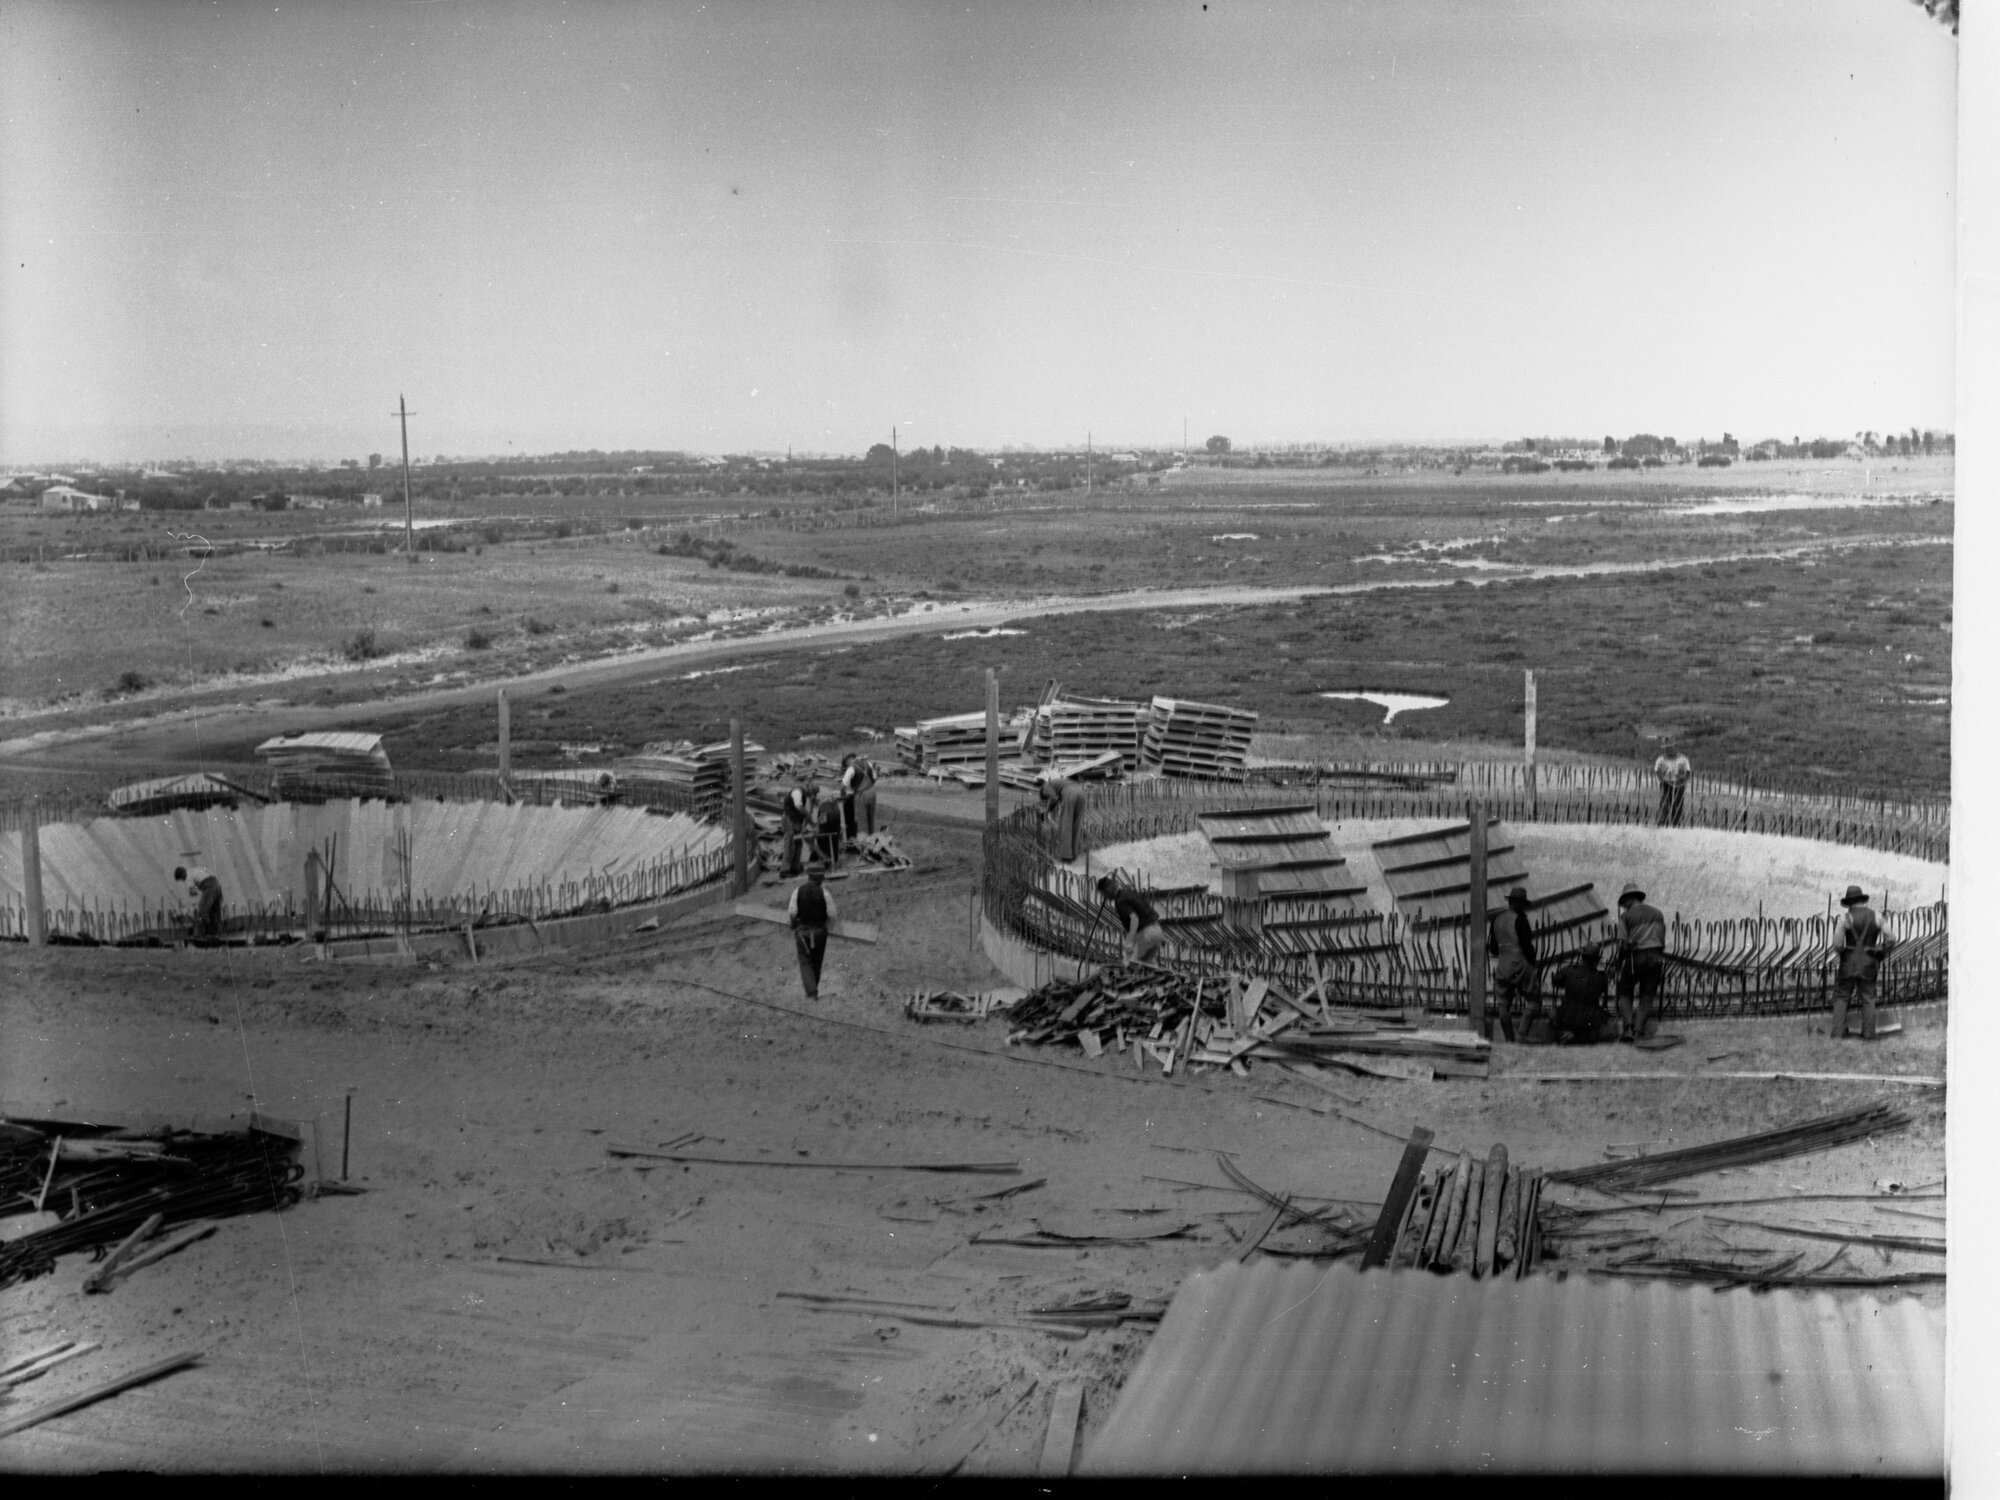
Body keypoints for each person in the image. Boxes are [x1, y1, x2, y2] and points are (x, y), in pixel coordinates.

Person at [1830, 884, 1891, 1040]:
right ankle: (1869, 1034)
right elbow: (1891, 938)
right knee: (1868, 998)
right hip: (1869, 962)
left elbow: (1837, 944)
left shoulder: (1845, 918)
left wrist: (1844, 953)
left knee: (1842, 996)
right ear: (1862, 900)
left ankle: (1838, 1032)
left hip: (1848, 963)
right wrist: (1881, 952)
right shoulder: (1876, 916)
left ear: (1849, 903)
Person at [1614, 882, 1668, 1041]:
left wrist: (1619, 961)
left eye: (1624, 902)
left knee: (1624, 990)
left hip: (1636, 956)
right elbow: (1661, 939)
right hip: (1656, 956)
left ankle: (1628, 1028)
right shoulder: (1658, 913)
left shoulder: (1626, 917)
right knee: (1647, 994)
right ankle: (1639, 1030)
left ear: (1630, 898)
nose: (1624, 906)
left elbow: (1623, 944)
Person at [1485, 887, 1539, 1043]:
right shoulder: (1520, 919)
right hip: (1521, 963)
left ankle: (1509, 1039)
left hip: (1503, 966)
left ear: (1509, 902)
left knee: (1503, 1004)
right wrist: (1532, 965)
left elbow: (1493, 949)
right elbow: (1527, 946)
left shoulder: (1496, 919)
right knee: (1534, 1000)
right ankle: (1522, 1035)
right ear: (1522, 904)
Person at [788, 860, 837, 1001]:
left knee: (805, 962)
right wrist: (828, 928)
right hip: (820, 932)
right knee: (817, 961)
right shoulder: (825, 893)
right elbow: (832, 914)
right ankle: (813, 988)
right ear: (820, 878)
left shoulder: (797, 891)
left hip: (803, 933)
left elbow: (792, 913)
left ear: (809, 876)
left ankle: (811, 992)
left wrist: (793, 926)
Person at [1551, 946, 1621, 1045]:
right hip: (1589, 1018)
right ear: (1596, 961)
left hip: (1567, 1015)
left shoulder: (1569, 970)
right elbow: (1601, 988)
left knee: (1553, 1011)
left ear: (1582, 957)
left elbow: (1556, 981)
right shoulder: (1600, 977)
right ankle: (1577, 1036)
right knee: (1602, 1015)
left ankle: (1567, 1034)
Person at [1096, 874, 1166, 965]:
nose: (1105, 897)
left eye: (1103, 893)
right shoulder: (1129, 892)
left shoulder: (1120, 901)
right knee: (1149, 966)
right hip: (1157, 931)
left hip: (1147, 934)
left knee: (1131, 964)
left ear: (1108, 889)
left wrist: (1129, 940)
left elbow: (1134, 919)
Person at [1039, 775, 1088, 862]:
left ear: (1043, 793)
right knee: (1076, 825)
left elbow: (1054, 798)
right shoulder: (1058, 782)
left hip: (1070, 793)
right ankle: (1074, 854)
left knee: (1066, 825)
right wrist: (1048, 810)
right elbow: (1055, 798)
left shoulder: (1045, 787)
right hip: (1081, 792)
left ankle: (1066, 856)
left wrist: (1046, 811)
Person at [174, 863, 223, 941]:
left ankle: (200, 934)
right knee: (214, 912)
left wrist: (193, 907)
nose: (183, 881)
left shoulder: (187, 876)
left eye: (182, 879)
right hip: (217, 885)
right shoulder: (194, 870)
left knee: (202, 911)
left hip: (209, 887)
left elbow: (193, 893)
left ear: (182, 875)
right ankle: (215, 934)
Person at [779, 781, 815, 877]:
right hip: (789, 820)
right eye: (811, 792)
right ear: (808, 788)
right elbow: (798, 806)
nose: (810, 795)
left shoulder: (804, 795)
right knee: (790, 845)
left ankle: (795, 868)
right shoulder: (797, 792)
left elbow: (806, 813)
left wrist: (809, 822)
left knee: (798, 844)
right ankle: (785, 871)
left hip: (796, 821)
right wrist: (807, 814)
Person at [1653, 741, 1691, 827]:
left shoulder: (1683, 759)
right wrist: (1662, 780)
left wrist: (1682, 781)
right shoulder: (1661, 759)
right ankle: (1662, 825)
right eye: (1667, 748)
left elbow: (1688, 772)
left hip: (1679, 784)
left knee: (1677, 805)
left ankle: (1675, 825)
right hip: (1665, 783)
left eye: (1671, 747)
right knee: (1664, 804)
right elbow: (1657, 771)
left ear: (1675, 747)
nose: (1669, 750)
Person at [841, 753, 879, 838]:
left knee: (862, 822)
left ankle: (864, 847)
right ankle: (871, 842)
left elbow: (843, 786)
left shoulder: (851, 769)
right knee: (870, 820)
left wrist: (843, 794)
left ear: (848, 761)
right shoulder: (867, 763)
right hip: (872, 793)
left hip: (861, 795)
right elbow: (875, 778)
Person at [814, 786, 846, 867]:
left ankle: (826, 861)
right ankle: (834, 859)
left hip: (826, 810)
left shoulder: (818, 798)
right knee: (835, 835)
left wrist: (817, 828)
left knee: (823, 836)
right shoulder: (826, 791)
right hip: (836, 811)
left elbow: (821, 822)